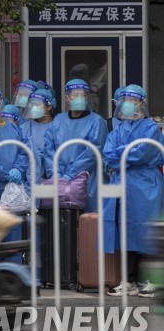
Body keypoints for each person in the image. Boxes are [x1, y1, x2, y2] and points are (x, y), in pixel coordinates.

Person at [102, 85, 163, 297]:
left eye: (131, 99)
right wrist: (126, 154)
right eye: (124, 99)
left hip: (145, 185)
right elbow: (108, 154)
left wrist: (122, 156)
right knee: (126, 232)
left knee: (146, 231)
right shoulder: (119, 129)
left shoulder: (150, 128)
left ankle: (149, 281)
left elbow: (143, 153)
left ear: (141, 103)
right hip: (124, 185)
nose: (127, 103)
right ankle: (128, 280)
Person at [42, 79, 108, 212]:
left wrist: (70, 176)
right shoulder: (59, 120)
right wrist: (55, 173)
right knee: (61, 225)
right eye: (75, 95)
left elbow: (92, 152)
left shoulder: (97, 121)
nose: (79, 98)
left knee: (88, 224)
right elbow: (49, 148)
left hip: (88, 180)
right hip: (60, 182)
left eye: (83, 95)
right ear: (67, 97)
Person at [20, 89, 55, 180]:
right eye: (32, 105)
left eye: (37, 104)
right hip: (30, 179)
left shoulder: (58, 126)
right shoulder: (25, 128)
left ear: (49, 107)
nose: (34, 108)